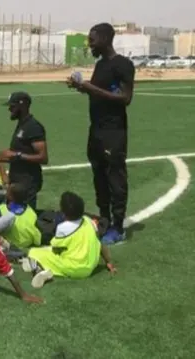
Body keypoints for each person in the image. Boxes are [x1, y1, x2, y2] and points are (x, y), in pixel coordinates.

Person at [66, 23, 135, 244]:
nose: (89, 44)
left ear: (105, 39)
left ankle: (118, 226)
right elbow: (101, 94)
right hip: (95, 130)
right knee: (99, 176)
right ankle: (104, 218)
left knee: (115, 177)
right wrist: (80, 87)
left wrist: (90, 88)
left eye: (92, 39)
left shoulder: (123, 64)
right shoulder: (100, 65)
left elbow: (125, 98)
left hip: (113, 132)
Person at [22, 192, 117, 288]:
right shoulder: (89, 221)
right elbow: (101, 245)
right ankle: (40, 270)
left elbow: (56, 249)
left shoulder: (62, 228)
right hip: (90, 266)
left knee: (34, 252)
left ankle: (40, 270)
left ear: (63, 211)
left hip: (73, 268)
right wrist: (108, 262)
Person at [0, 92, 48, 209]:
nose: (10, 109)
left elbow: (43, 157)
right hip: (18, 180)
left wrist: (16, 155)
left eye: (13, 106)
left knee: (26, 215)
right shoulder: (22, 124)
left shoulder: (33, 127)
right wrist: (3, 158)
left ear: (23, 106)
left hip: (27, 183)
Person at [0, 183, 42, 251]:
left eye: (7, 191)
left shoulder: (1, 209)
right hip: (28, 244)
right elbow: (37, 235)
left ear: (10, 197)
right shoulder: (31, 212)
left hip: (9, 245)